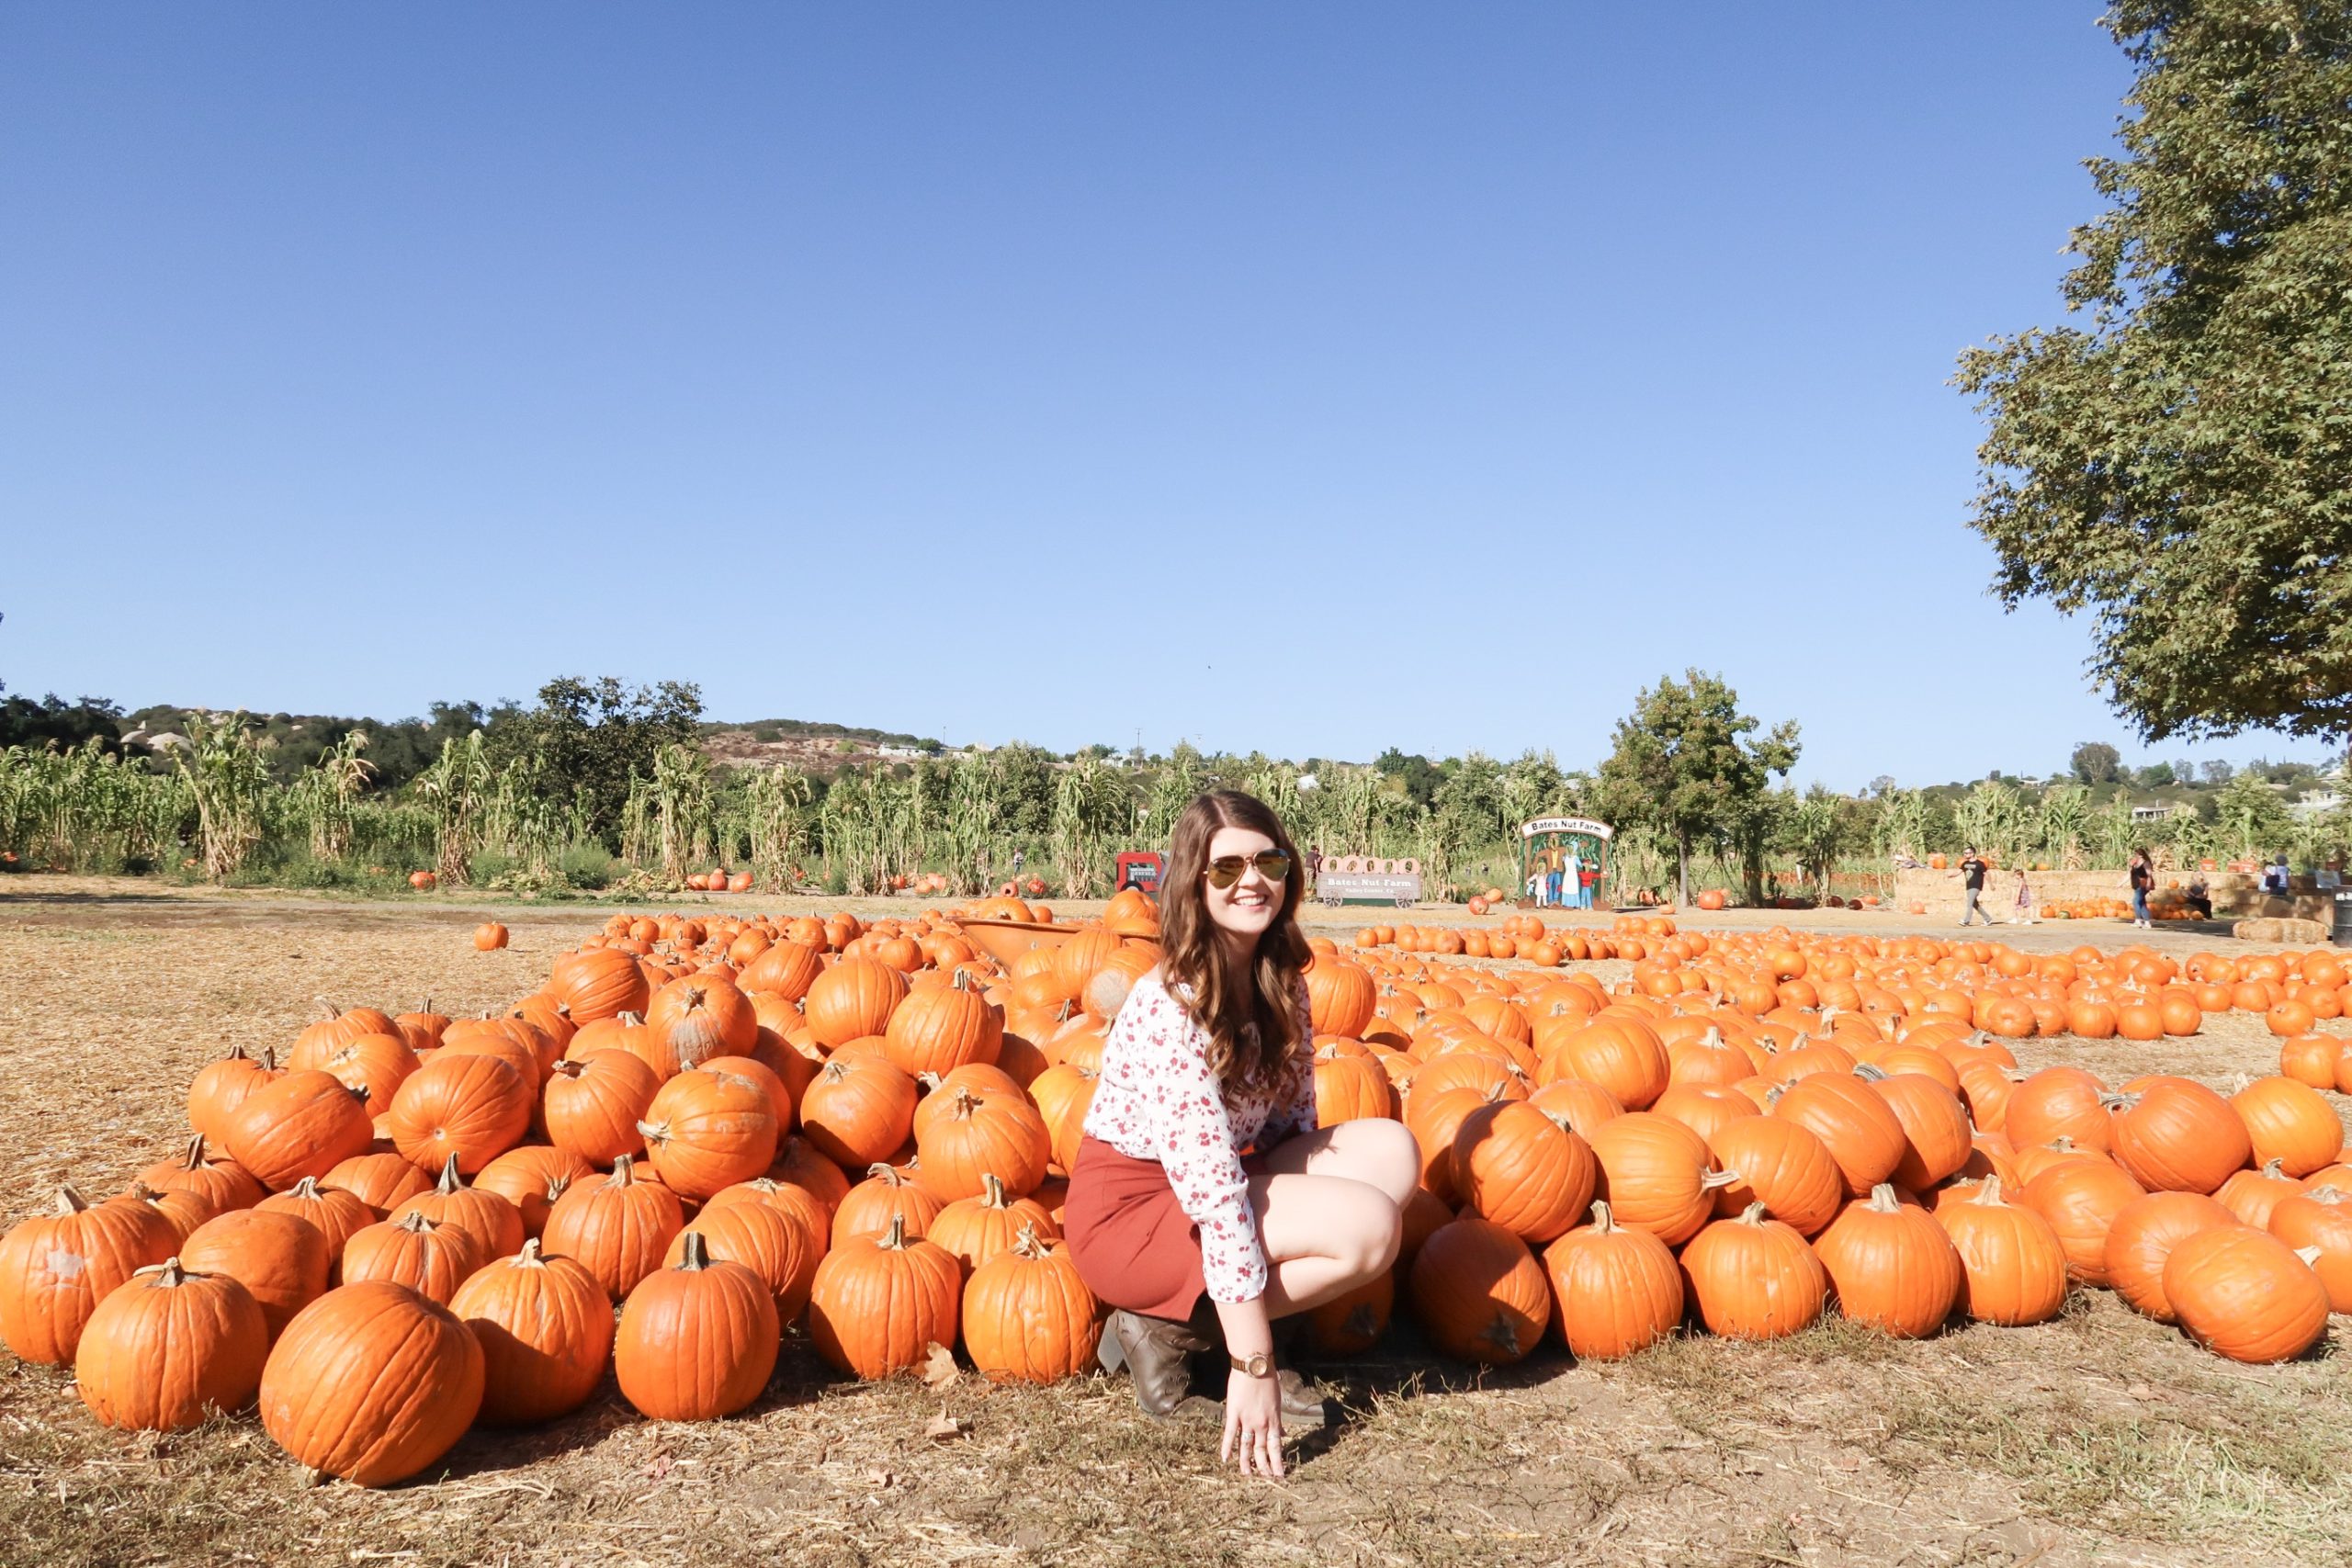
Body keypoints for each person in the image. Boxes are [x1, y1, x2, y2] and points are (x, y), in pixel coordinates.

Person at [1063, 790, 1419, 1476]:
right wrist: (1254, 1364)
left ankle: (1220, 1316)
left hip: (1223, 1182)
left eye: (1268, 861)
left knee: (1394, 1153)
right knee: (1370, 1227)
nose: (1251, 880)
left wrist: (1305, 1195)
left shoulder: (1281, 979)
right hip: (1133, 1215)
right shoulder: (1173, 1005)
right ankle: (1174, 1330)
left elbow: (1294, 1125)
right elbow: (1217, 1198)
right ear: (1193, 883)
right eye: (1226, 868)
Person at [1956, 848, 1996, 926]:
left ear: (1972, 853)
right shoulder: (1965, 864)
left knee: (1969, 903)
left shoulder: (1980, 864)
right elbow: (1959, 871)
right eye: (1965, 853)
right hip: (1969, 886)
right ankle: (1988, 919)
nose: (1965, 854)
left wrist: (1991, 884)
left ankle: (1966, 921)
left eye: (1967, 853)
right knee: (1975, 904)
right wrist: (1951, 875)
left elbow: (1986, 873)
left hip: (1976, 886)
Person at [2129, 849, 2154, 929]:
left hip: (2143, 885)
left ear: (2140, 855)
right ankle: (2147, 922)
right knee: (2142, 904)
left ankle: (2138, 920)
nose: (2135, 856)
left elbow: (2149, 874)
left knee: (2136, 901)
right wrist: (2121, 883)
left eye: (2136, 854)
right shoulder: (2135, 863)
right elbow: (2129, 874)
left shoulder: (2145, 863)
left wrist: (2148, 884)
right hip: (2137, 885)